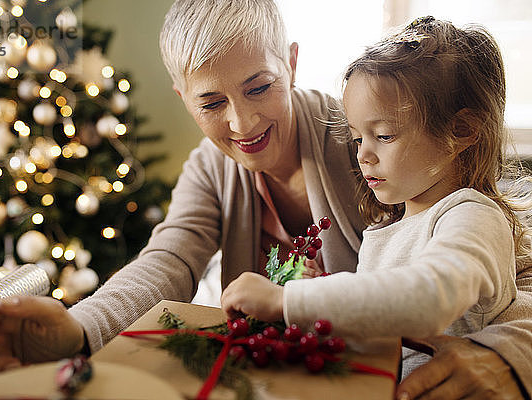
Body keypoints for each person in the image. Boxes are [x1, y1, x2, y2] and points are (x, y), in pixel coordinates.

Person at [0, 2, 532, 399]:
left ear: (292, 62)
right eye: (211, 103)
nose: (243, 120)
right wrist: (77, 330)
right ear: (182, 97)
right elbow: (169, 263)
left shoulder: (374, 140)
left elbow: (501, 250)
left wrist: (508, 355)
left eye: (259, 87)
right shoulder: (210, 170)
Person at [221, 13, 531, 389]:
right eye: (356, 139)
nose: (363, 156)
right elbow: (383, 318)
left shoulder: (469, 215)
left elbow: (426, 299)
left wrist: (290, 300)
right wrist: (324, 288)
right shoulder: (390, 227)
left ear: (461, 131)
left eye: (383, 136)